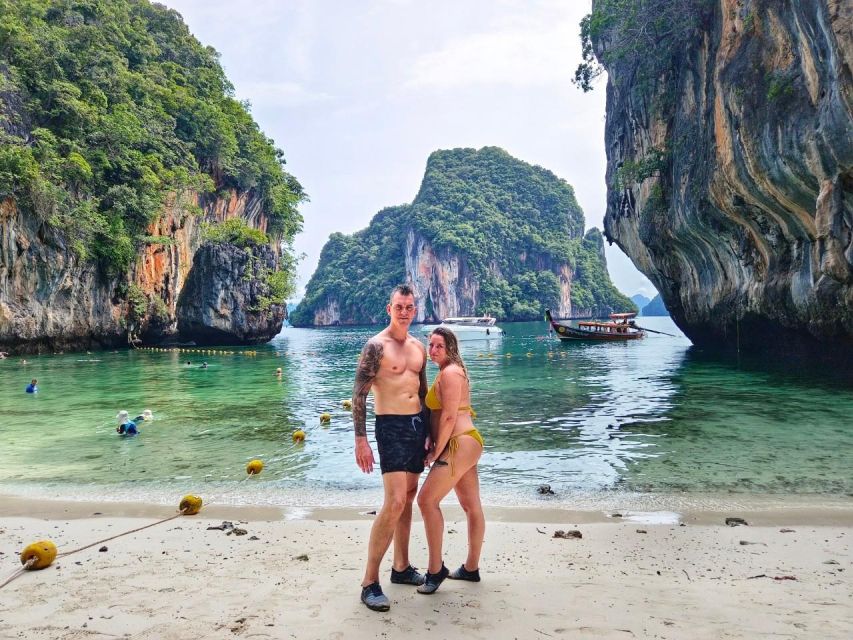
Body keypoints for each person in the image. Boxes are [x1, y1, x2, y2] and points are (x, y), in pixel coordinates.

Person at [353, 284, 430, 612]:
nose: (404, 312)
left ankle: (401, 567)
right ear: (389, 309)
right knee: (395, 500)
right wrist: (361, 440)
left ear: (415, 309)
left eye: (409, 307)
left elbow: (423, 392)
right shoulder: (375, 346)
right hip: (391, 428)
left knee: (408, 499)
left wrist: (430, 433)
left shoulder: (418, 347)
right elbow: (359, 394)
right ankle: (369, 582)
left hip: (416, 428)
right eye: (399, 306)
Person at [416, 327, 485, 594]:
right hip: (464, 443)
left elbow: (448, 417)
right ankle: (471, 568)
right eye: (430, 345)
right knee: (470, 505)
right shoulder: (448, 371)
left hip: (459, 443)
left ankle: (436, 570)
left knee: (426, 500)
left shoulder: (451, 373)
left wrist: (436, 451)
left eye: (439, 346)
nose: (432, 351)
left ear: (451, 348)